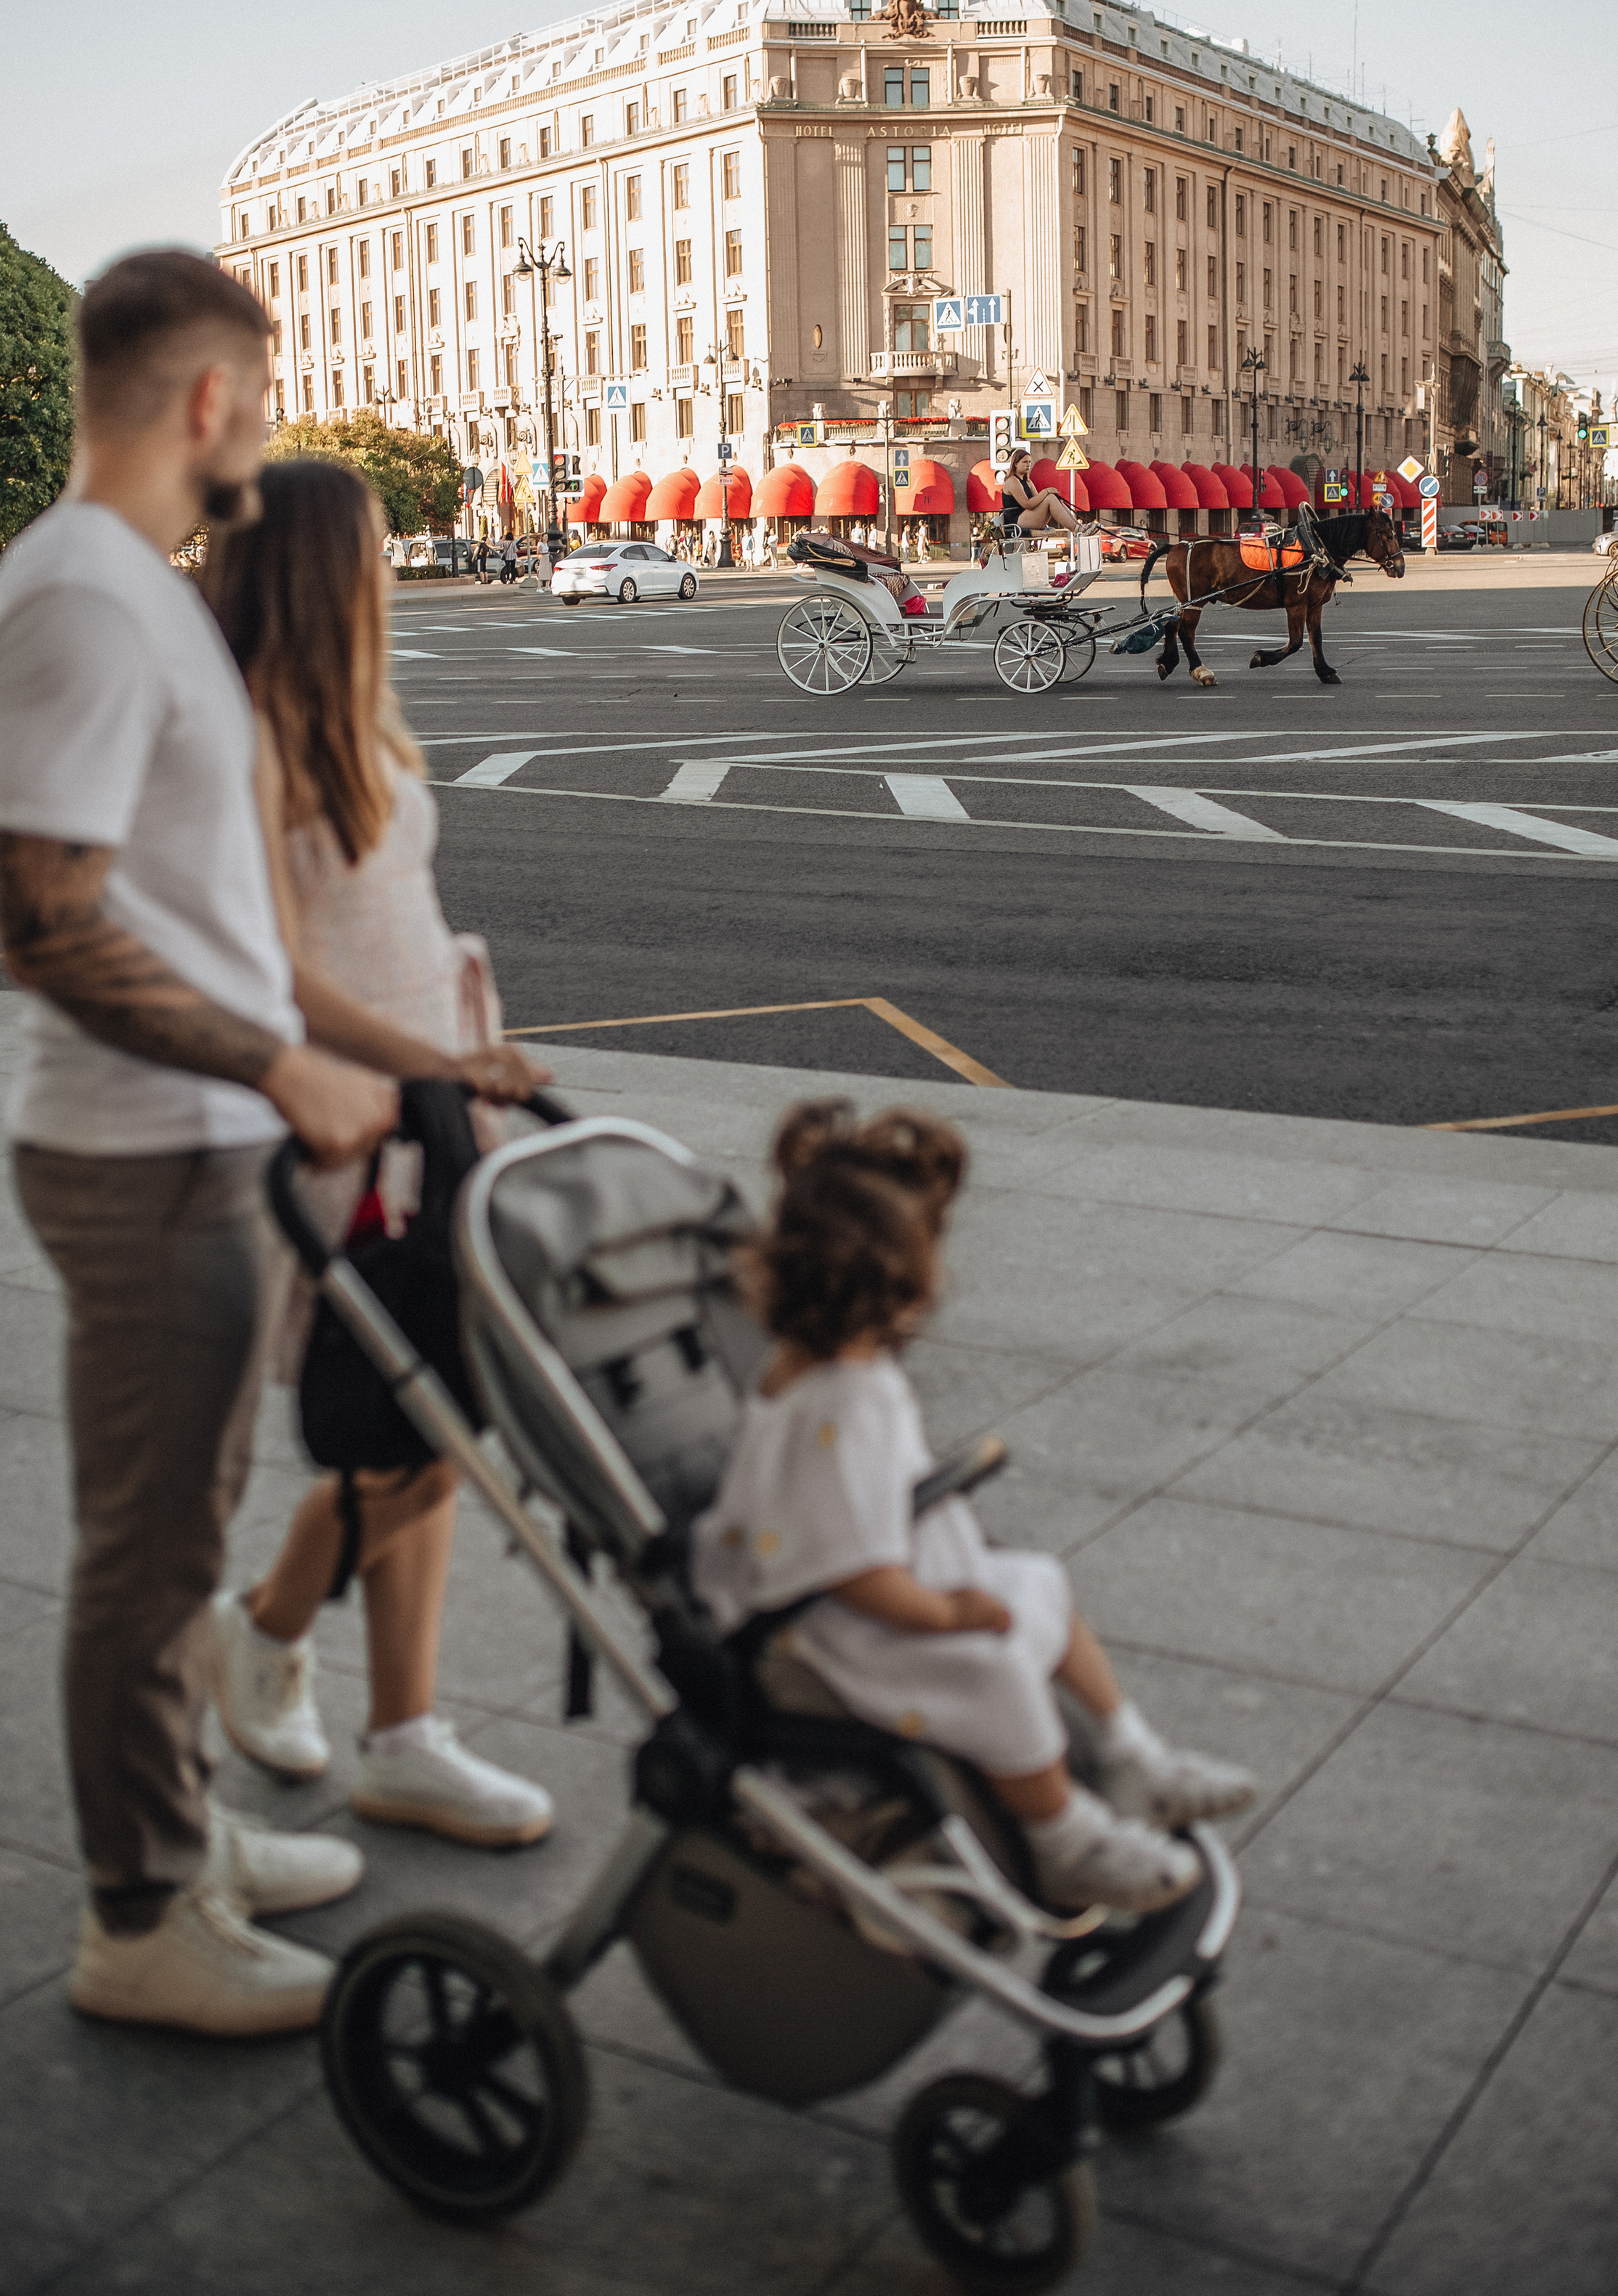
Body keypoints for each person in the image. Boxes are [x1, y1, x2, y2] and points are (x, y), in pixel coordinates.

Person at [0, 250, 400, 2036]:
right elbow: (43, 920)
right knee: (144, 1558)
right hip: (141, 1148)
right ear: (209, 398)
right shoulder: (73, 595)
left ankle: (185, 1831)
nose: (272, 431)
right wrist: (278, 1066)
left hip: (194, 1137)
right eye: (269, 395)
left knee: (188, 1520)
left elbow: (183, 898)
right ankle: (138, 1911)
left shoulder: (130, 592)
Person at [203, 457, 554, 1847]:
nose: (389, 568)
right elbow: (277, 978)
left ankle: (404, 1731)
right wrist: (437, 1065)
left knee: (441, 1410)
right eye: (370, 547)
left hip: (435, 1101)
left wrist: (464, 1069)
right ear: (318, 567)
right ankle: (269, 1625)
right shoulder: (250, 739)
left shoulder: (354, 714)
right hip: (356, 1115)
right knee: (428, 1420)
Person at [693, 1104, 1257, 1913]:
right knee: (992, 1676)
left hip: (876, 1588)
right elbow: (853, 1570)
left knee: (1042, 1583)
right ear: (890, 1287)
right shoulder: (835, 1410)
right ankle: (1061, 1836)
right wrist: (944, 1612)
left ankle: (1132, 1754)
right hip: (838, 1631)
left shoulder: (823, 1370)